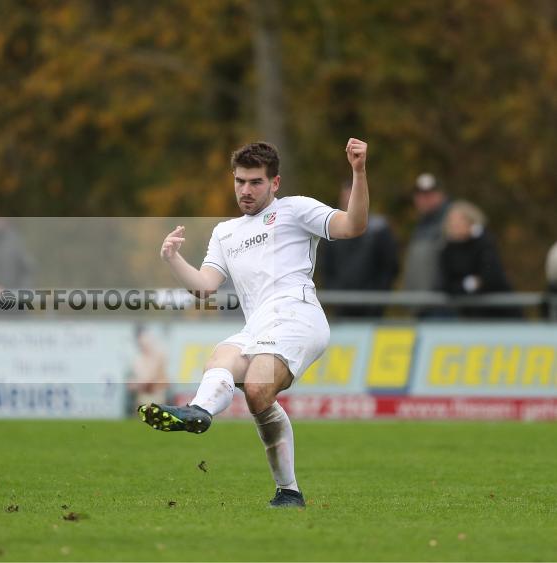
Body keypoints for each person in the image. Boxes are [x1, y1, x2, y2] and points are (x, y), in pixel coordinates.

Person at [139, 138, 370, 508]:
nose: (245, 190)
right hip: (259, 326)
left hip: (298, 316)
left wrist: (358, 172)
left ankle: (279, 481)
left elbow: (353, 225)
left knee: (258, 386)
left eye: (255, 182)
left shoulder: (295, 209)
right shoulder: (225, 232)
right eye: (240, 181)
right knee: (222, 359)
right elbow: (204, 287)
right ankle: (201, 413)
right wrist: (173, 259)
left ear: (274, 183)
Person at [318, 180, 399, 317]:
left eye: (352, 197)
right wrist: (335, 295)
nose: (349, 202)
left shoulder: (378, 229)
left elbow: (389, 267)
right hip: (341, 306)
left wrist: (378, 296)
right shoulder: (331, 230)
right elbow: (326, 267)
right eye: (345, 197)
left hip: (373, 306)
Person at [438, 200, 520, 319]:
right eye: (452, 221)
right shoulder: (446, 250)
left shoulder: (484, 243)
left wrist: (467, 285)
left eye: (460, 220)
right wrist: (470, 284)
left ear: (471, 222)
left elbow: (491, 277)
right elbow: (447, 285)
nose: (455, 224)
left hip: (500, 313)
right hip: (470, 315)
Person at [401, 173, 450, 294]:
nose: (424, 199)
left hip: (442, 300)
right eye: (420, 195)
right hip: (420, 300)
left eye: (429, 194)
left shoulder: (453, 221)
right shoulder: (421, 224)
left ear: (441, 195)